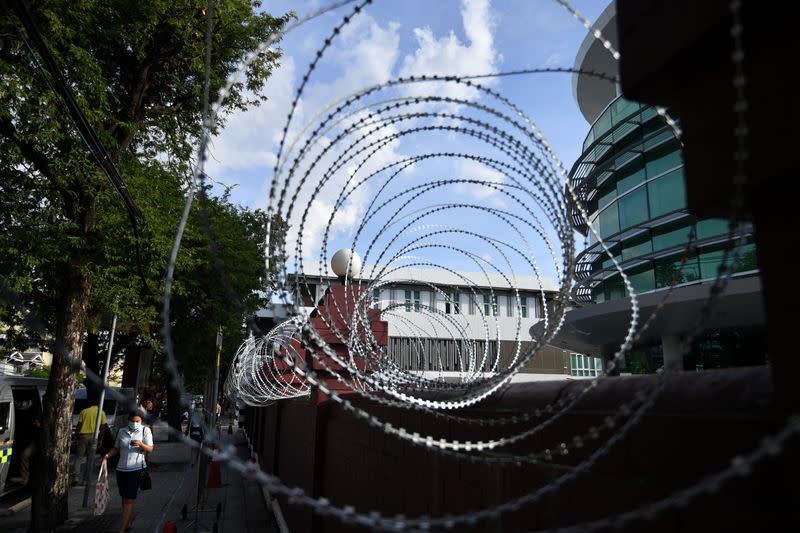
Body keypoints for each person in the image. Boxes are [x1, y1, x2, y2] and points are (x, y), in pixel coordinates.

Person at [102, 412, 154, 533]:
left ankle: (122, 528)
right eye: (132, 420)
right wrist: (107, 456)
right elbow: (116, 448)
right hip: (121, 470)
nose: (135, 423)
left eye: (137, 421)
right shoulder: (122, 431)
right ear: (128, 420)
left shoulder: (145, 431)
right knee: (124, 498)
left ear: (141, 421)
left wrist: (141, 444)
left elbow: (150, 449)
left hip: (136, 469)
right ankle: (128, 522)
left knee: (128, 499)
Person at [72, 399, 109, 485]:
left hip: (83, 436)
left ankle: (76, 478)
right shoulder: (101, 412)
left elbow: (79, 426)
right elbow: (102, 428)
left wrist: (75, 437)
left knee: (78, 457)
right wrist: (101, 439)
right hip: (94, 437)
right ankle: (86, 480)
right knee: (90, 458)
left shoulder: (84, 411)